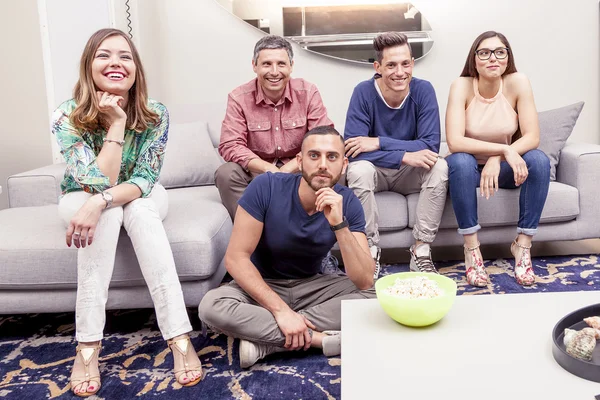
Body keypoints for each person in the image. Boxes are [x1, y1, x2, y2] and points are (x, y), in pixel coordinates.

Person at [53, 28, 202, 397]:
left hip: (135, 195)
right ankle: (87, 346)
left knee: (139, 213)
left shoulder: (156, 114)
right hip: (81, 195)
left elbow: (144, 179)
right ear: (89, 65)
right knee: (109, 214)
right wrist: (114, 127)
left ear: (136, 68)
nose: (115, 63)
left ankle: (179, 337)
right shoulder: (66, 115)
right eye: (104, 55)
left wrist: (101, 201)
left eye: (125, 56)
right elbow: (95, 181)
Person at [199, 126, 376, 368]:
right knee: (212, 306)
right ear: (300, 161)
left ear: (343, 165)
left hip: (314, 285)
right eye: (314, 156)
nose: (323, 164)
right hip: (262, 286)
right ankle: (318, 339)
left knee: (378, 296)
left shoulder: (349, 202)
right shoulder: (265, 187)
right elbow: (236, 259)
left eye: (332, 157)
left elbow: (365, 280)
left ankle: (267, 342)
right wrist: (281, 311)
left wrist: (340, 225)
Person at [215, 34, 339, 274]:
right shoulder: (239, 97)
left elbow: (324, 137)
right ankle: (257, 251)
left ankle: (318, 255)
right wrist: (269, 170)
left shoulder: (308, 92)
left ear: (291, 66)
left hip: (300, 172)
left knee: (332, 170)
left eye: (281, 64)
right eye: (267, 64)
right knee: (226, 172)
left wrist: (289, 169)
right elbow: (230, 144)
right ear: (254, 66)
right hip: (257, 175)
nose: (274, 71)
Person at [445, 31, 550, 287]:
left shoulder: (518, 82)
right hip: (467, 171)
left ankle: (522, 247)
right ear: (475, 59)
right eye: (484, 53)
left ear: (507, 57)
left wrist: (497, 159)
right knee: (459, 160)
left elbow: (532, 136)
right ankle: (472, 250)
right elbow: (455, 141)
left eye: (499, 52)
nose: (493, 58)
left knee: (539, 160)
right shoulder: (461, 85)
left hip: (502, 171)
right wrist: (502, 150)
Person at [344, 32, 448, 278]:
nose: (400, 72)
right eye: (391, 65)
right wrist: (404, 155)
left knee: (439, 166)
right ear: (377, 67)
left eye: (405, 64)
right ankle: (368, 251)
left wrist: (379, 142)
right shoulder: (363, 92)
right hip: (376, 173)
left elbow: (430, 145)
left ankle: (420, 251)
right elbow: (354, 152)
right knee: (358, 170)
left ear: (412, 63)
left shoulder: (423, 90)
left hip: (409, 173)